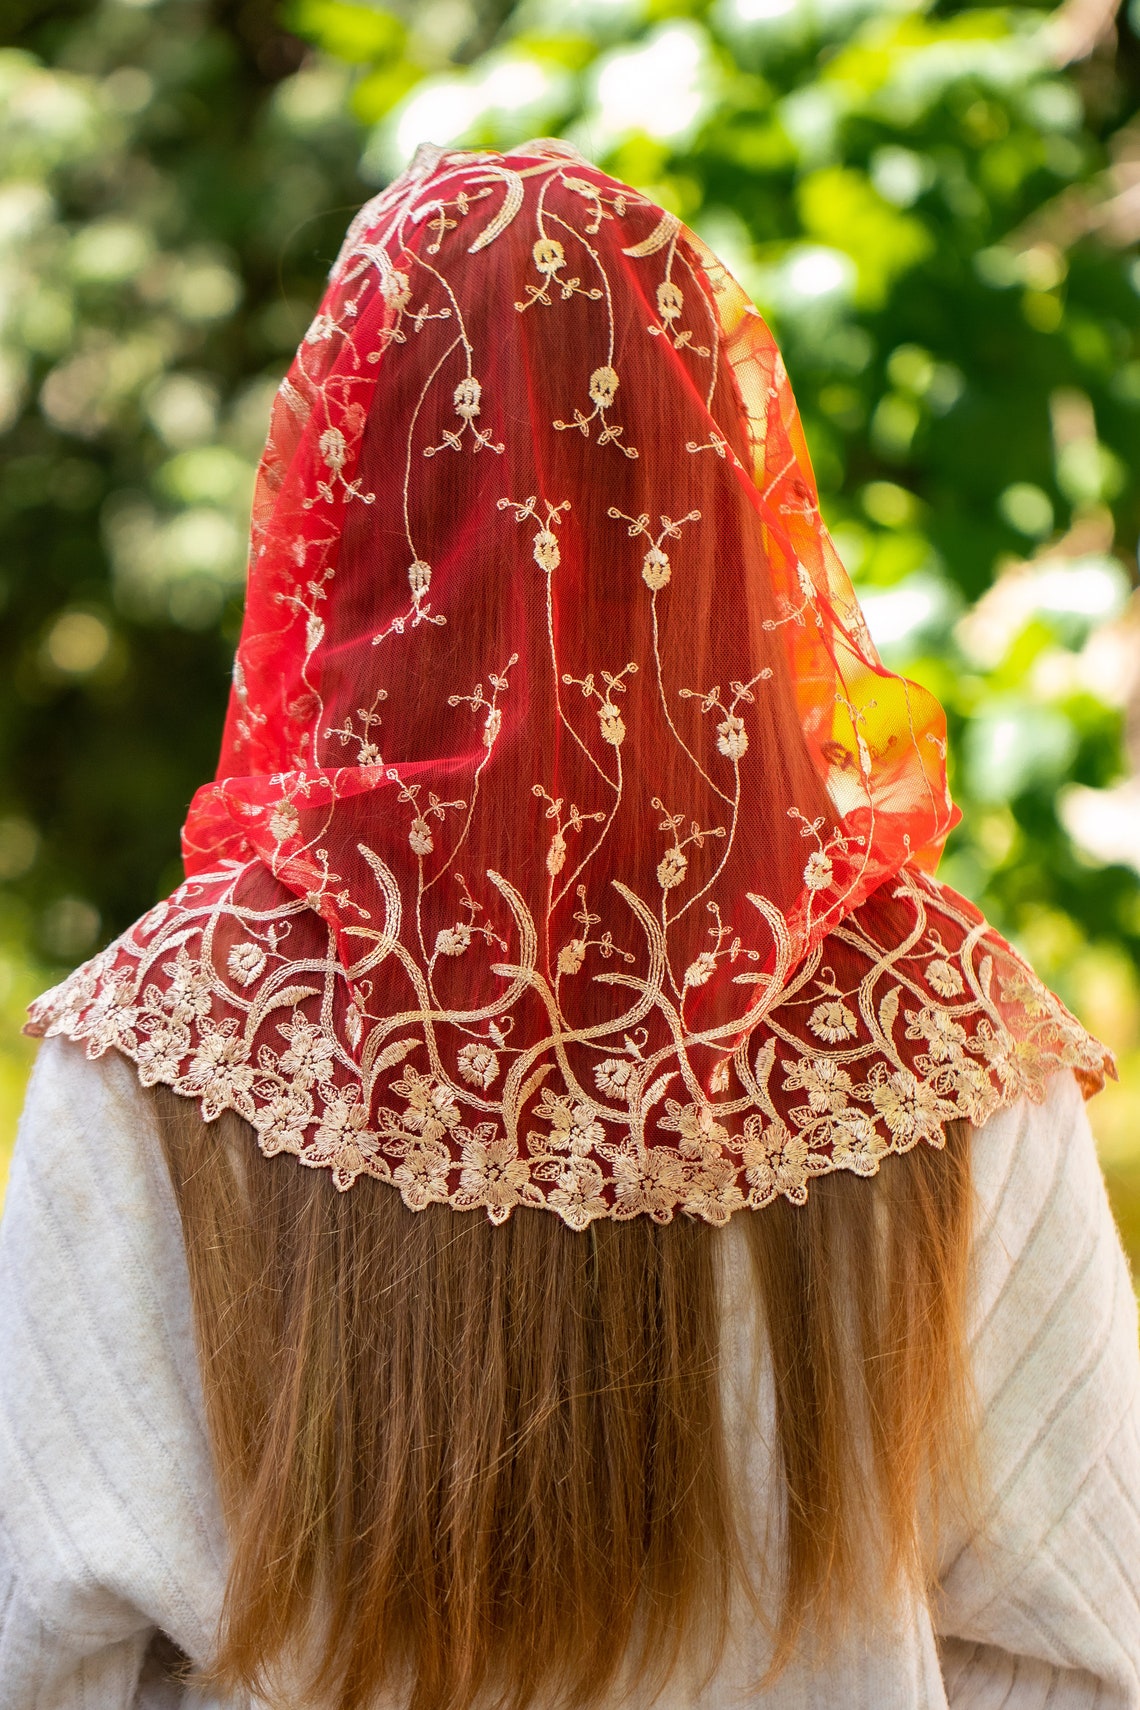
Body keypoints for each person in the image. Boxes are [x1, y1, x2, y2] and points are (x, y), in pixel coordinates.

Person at [1, 139, 1137, 1710]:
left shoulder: (168, 1044)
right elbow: (1084, 1645)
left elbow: (53, 1657)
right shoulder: (934, 1034)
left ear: (350, 495)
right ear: (714, 493)